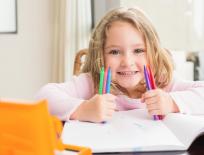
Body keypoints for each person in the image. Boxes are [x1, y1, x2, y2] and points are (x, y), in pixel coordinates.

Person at [36, 7, 204, 123]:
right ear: (100, 55)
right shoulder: (92, 83)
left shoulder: (162, 82)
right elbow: (43, 97)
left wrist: (171, 103)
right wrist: (84, 109)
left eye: (138, 50)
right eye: (115, 52)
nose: (127, 62)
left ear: (153, 52)